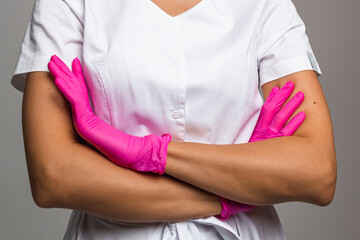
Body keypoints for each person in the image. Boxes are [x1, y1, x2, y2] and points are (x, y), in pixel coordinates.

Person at [11, 0, 336, 239]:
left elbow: (316, 174)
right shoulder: (68, 4)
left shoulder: (265, 5)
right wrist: (233, 195)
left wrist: (148, 151)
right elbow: (53, 177)